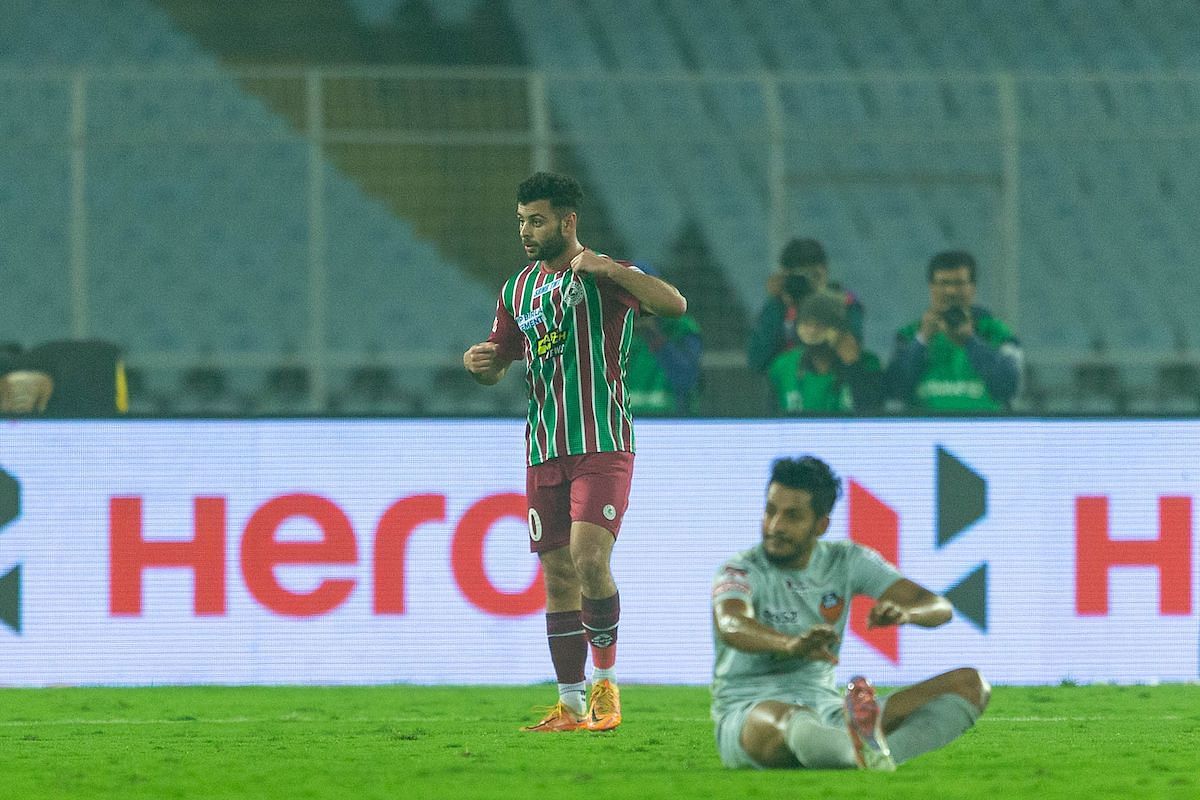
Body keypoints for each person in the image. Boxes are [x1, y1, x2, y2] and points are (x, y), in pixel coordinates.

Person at [463, 171, 687, 732]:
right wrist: (482, 364)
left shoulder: (603, 274)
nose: (526, 231)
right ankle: (567, 703)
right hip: (545, 446)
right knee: (558, 575)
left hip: (603, 442)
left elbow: (675, 305)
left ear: (568, 222)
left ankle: (607, 687)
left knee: (590, 559)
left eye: (536, 220)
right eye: (521, 221)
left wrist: (612, 269)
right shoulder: (517, 289)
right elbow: (503, 356)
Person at [711, 456, 989, 770]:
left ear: (821, 525)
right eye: (770, 511)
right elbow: (731, 623)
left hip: (829, 709)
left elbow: (939, 607)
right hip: (749, 712)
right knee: (783, 719)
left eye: (793, 516)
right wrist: (789, 644)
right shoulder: (740, 570)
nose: (776, 526)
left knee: (971, 684)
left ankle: (865, 752)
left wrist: (906, 614)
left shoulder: (845, 560)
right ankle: (859, 751)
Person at [886, 250, 1022, 412]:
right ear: (931, 287)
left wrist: (971, 342)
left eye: (959, 283)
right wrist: (922, 339)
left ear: (973, 288)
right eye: (943, 283)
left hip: (984, 432)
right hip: (926, 434)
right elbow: (894, 390)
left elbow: (1009, 386)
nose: (950, 291)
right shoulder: (909, 334)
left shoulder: (998, 333)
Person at [747, 238, 864, 373]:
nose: (804, 283)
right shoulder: (779, 306)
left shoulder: (844, 302)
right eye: (797, 277)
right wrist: (775, 304)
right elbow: (757, 362)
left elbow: (849, 356)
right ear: (785, 275)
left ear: (824, 272)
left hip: (832, 386)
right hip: (789, 388)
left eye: (812, 276)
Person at [765, 291, 882, 414]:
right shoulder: (783, 366)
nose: (811, 331)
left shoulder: (869, 364)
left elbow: (872, 413)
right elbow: (768, 417)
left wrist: (852, 365)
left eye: (820, 324)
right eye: (806, 324)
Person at [624, 261, 702, 416]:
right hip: (626, 421)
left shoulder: (681, 328)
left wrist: (654, 337)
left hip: (675, 420)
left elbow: (687, 378)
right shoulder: (614, 327)